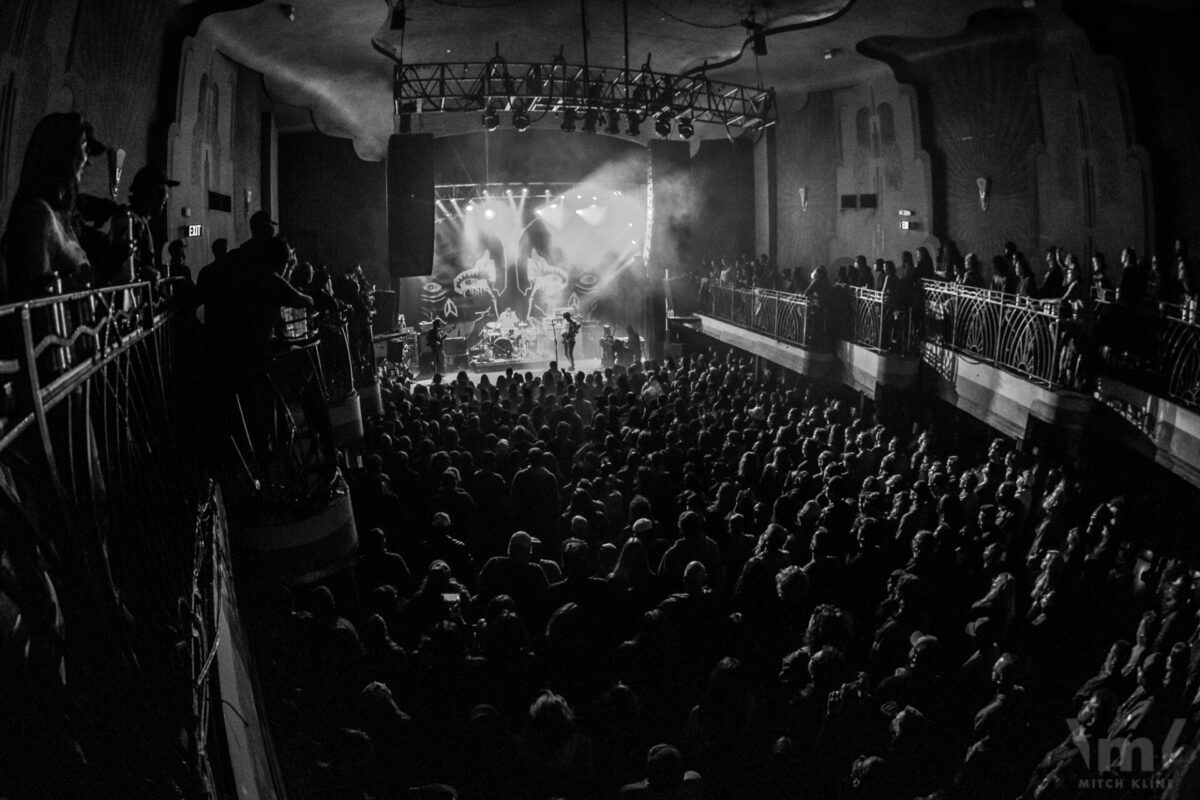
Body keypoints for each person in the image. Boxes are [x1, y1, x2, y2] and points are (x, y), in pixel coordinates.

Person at [1, 112, 106, 302]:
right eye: (84, 148)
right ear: (61, 151)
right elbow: (35, 305)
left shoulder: (60, 218)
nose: (88, 161)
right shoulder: (39, 215)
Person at [112, 164, 179, 286]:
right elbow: (123, 263)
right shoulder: (130, 221)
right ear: (151, 191)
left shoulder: (140, 221)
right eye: (163, 190)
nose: (167, 197)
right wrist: (146, 271)